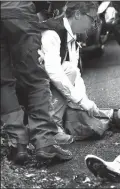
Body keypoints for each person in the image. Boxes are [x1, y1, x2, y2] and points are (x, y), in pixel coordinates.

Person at [38, 1, 120, 140]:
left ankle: (64, 123)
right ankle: (52, 129)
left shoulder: (72, 34)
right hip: (32, 88)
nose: (93, 24)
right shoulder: (52, 33)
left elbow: (77, 74)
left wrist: (84, 101)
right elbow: (54, 72)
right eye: (92, 18)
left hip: (48, 89)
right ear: (78, 14)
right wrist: (80, 100)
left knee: (71, 72)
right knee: (67, 69)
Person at [1, 1, 73, 165]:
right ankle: (45, 141)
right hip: (19, 10)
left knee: (3, 83)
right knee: (35, 78)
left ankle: (17, 144)